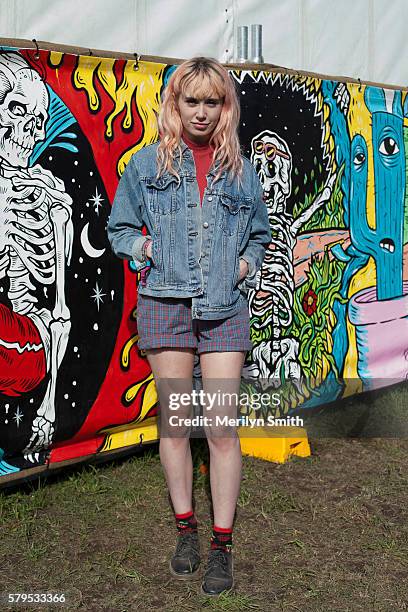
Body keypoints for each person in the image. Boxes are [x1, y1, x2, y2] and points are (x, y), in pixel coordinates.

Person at [107, 56, 271, 596]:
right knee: (177, 427)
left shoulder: (242, 172)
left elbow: (259, 234)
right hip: (165, 306)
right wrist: (145, 247)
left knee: (221, 429)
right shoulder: (145, 166)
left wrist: (245, 265)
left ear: (226, 107)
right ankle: (187, 531)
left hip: (223, 308)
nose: (201, 112)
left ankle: (222, 544)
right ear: (174, 105)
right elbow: (119, 227)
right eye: (191, 100)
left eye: (213, 101)